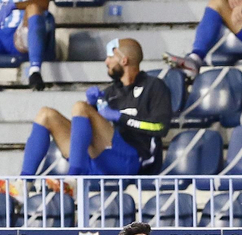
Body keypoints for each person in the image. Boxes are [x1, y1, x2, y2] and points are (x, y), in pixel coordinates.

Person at [21, 38, 172, 177]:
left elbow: (160, 127)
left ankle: (73, 179)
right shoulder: (110, 92)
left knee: (80, 107)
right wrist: (92, 105)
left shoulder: (154, 86)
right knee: (46, 114)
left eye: (110, 57)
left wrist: (120, 117)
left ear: (124, 60)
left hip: (133, 161)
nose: (106, 62)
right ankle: (23, 183)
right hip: (102, 159)